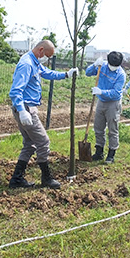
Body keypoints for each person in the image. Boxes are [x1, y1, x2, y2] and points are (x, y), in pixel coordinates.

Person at [8, 40, 78, 190]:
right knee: (43, 142)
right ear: (40, 50)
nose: (47, 59)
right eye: (47, 56)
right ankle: (46, 178)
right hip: (25, 109)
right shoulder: (27, 64)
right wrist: (22, 110)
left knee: (30, 144)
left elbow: (46, 73)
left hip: (27, 108)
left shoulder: (35, 62)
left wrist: (66, 74)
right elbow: (15, 91)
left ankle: (16, 179)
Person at [86, 51, 127, 163]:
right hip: (101, 101)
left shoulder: (121, 75)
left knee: (112, 129)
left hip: (113, 103)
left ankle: (111, 154)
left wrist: (101, 91)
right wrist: (94, 65)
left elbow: (116, 93)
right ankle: (99, 152)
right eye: (111, 65)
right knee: (98, 127)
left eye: (116, 66)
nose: (113, 67)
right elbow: (88, 73)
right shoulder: (102, 66)